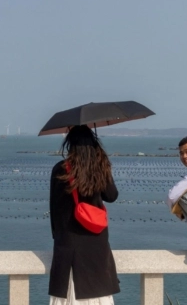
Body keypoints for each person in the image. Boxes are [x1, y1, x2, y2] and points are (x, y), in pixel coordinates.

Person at [49, 125, 120, 304]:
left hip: (68, 243)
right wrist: (103, 167)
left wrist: (58, 237)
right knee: (98, 294)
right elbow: (111, 196)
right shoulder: (99, 168)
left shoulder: (61, 169)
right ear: (93, 143)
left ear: (70, 143)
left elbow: (55, 208)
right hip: (96, 242)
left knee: (69, 295)